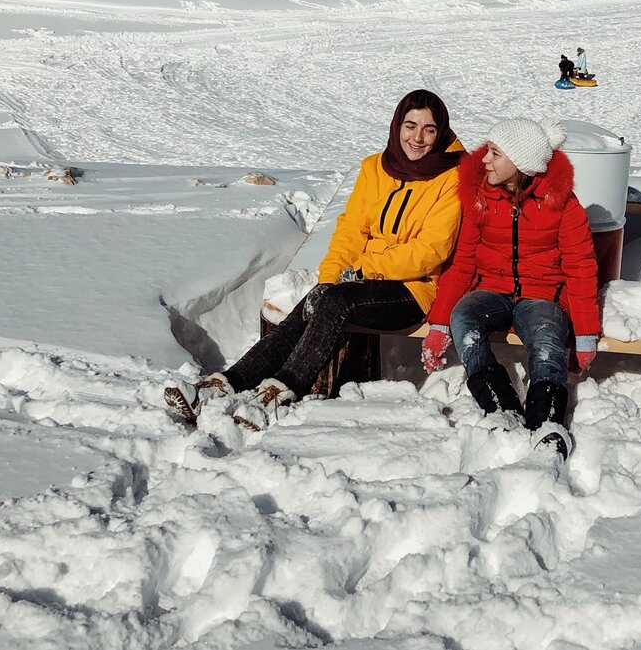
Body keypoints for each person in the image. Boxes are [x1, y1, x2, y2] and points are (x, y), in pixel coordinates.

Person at [165, 89, 465, 430]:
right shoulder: (375, 167)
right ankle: (225, 384)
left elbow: (431, 251)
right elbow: (351, 230)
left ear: (441, 133)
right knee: (314, 304)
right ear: (397, 126)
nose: (418, 138)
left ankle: (284, 388)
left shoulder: (452, 176)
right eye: (410, 126)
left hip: (414, 289)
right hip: (359, 280)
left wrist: (366, 268)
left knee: (334, 301)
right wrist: (331, 275)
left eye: (429, 129)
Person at [420, 118, 599, 459]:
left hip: (541, 296)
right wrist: (440, 322)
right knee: (465, 319)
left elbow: (581, 269)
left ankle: (547, 422)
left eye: (495, 153)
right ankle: (501, 406)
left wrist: (586, 334)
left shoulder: (563, 204)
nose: (484, 160)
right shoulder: (479, 199)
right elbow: (464, 263)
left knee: (547, 343)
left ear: (521, 164)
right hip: (492, 291)